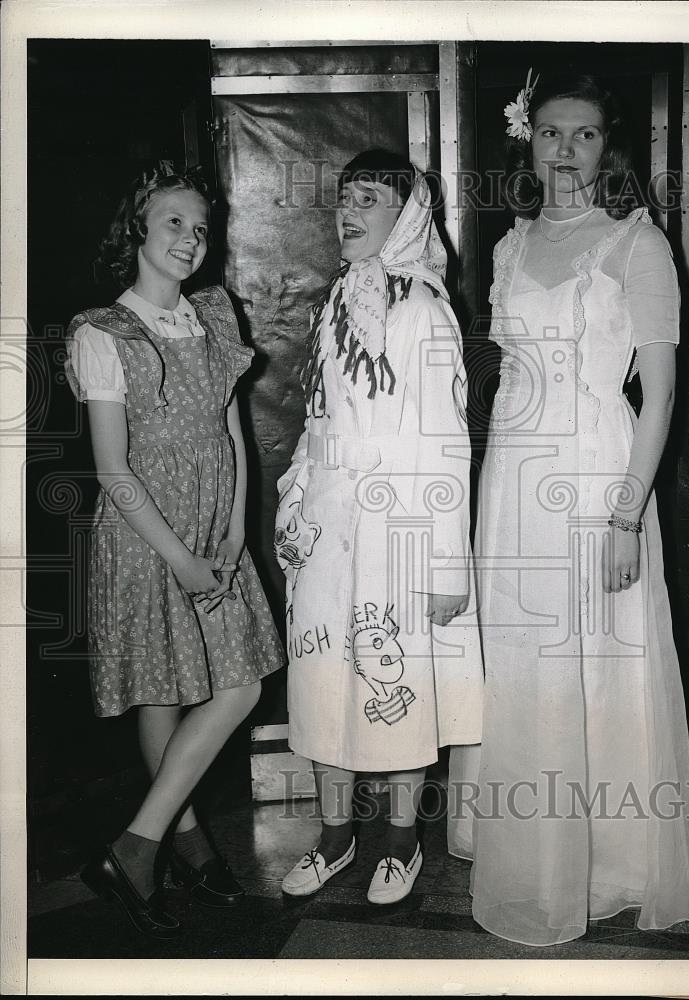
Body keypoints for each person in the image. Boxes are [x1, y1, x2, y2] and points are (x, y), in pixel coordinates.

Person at [448, 73, 689, 945]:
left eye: (586, 135)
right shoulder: (509, 246)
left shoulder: (637, 245)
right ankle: (529, 862)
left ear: (611, 149)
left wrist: (626, 517)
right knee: (524, 669)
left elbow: (664, 394)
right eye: (552, 133)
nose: (565, 150)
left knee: (598, 668)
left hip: (599, 476)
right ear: (529, 142)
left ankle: (611, 867)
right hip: (514, 485)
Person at [65, 163, 285, 938]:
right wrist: (182, 558)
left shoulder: (214, 318)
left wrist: (230, 532)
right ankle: (172, 844)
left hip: (211, 532)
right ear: (139, 230)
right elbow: (113, 469)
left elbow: (232, 435)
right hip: (146, 535)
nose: (191, 240)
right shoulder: (104, 331)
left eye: (201, 227)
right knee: (164, 694)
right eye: (173, 223)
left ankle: (143, 844)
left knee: (237, 687)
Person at [275, 149, 483, 905]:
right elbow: (317, 419)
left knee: (397, 681)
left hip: (400, 530)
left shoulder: (425, 311)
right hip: (332, 527)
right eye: (343, 199)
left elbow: (447, 445)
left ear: (407, 217)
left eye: (369, 199)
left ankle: (400, 843)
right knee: (325, 682)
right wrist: (296, 499)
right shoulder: (335, 305)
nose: (349, 212)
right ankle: (336, 838)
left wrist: (447, 564)